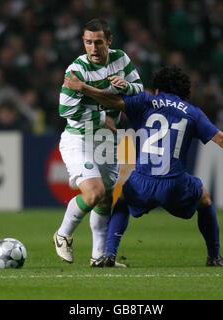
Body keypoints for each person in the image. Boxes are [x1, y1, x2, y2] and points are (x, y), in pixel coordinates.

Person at [63, 65, 223, 267]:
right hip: (174, 184)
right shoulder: (192, 112)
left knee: (123, 201)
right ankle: (214, 256)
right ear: (185, 91)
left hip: (142, 181)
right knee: (204, 199)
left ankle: (109, 254)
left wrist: (82, 87)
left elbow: (111, 101)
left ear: (157, 88)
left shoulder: (145, 101)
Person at [53, 18, 144, 267]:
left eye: (98, 42)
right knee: (94, 193)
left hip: (106, 141)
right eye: (88, 42)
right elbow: (64, 109)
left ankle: (99, 257)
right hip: (79, 139)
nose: (93, 48)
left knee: (105, 199)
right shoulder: (76, 70)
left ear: (109, 41)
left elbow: (139, 89)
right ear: (83, 42)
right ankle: (63, 234)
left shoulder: (121, 59)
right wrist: (102, 117)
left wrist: (127, 86)